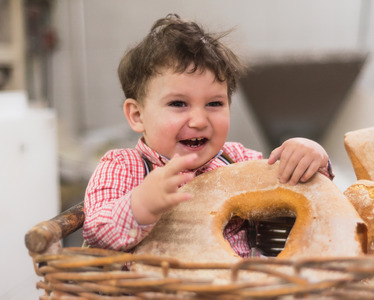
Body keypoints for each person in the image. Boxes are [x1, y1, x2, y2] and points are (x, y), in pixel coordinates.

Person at [83, 14, 334, 257]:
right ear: (137, 115)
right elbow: (96, 234)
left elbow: (309, 197)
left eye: (214, 104)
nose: (200, 121)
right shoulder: (122, 167)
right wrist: (141, 206)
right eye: (178, 104)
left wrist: (308, 155)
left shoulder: (239, 160)